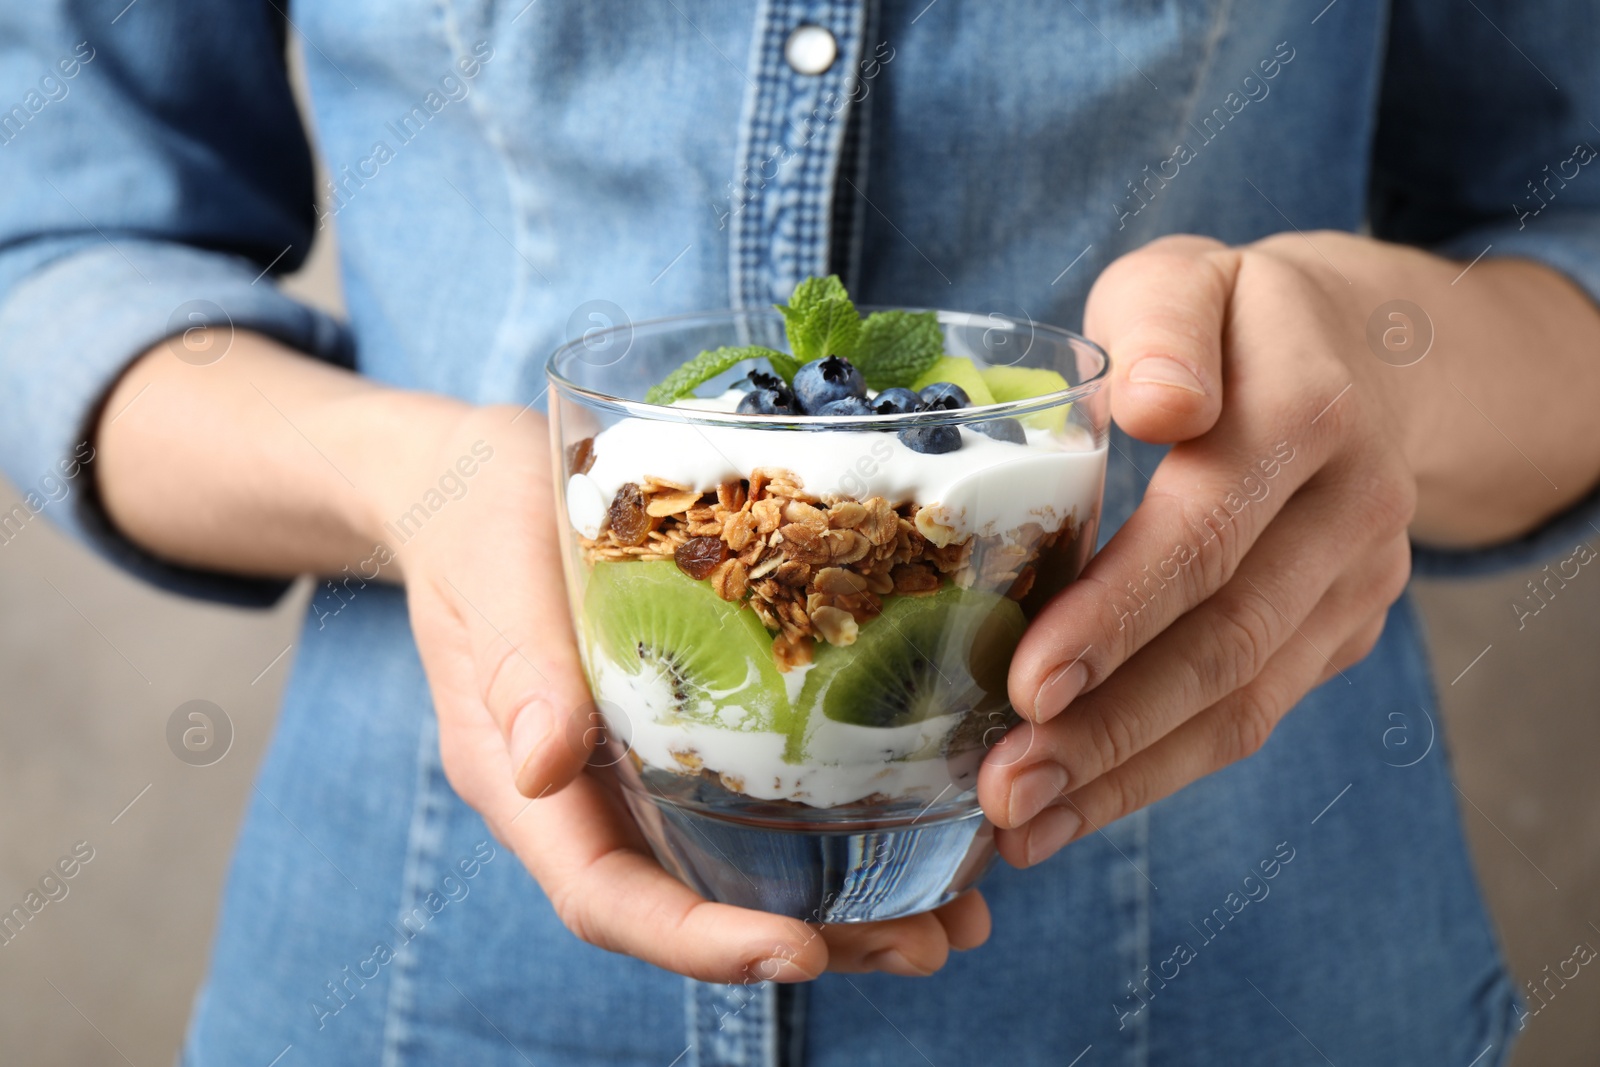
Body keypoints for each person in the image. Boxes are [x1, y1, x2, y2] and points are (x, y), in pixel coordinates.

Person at [3, 2, 1598, 1063]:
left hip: (1242, 976)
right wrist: (410, 482)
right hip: (432, 983)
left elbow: (1568, 221)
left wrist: (1396, 362)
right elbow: (53, 248)